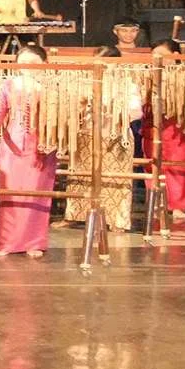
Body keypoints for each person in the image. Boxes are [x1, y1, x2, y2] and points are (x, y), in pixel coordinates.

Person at [0, 44, 57, 258]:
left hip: (41, 146)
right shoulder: (7, 85)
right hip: (12, 146)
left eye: (34, 63)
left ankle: (35, 242)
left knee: (37, 194)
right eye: (24, 62)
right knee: (9, 193)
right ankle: (7, 243)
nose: (28, 67)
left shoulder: (52, 88)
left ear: (44, 65)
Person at [62, 45, 139, 231]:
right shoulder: (85, 82)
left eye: (107, 62)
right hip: (87, 134)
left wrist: (117, 115)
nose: (103, 66)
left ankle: (117, 221)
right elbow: (74, 107)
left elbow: (136, 111)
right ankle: (75, 215)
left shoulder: (127, 84)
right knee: (81, 177)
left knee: (116, 179)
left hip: (116, 136)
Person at [143, 39, 185, 220]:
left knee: (179, 165)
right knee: (152, 165)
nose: (157, 59)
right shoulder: (148, 74)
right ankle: (157, 202)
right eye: (154, 56)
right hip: (152, 126)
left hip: (177, 126)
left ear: (175, 55)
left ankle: (179, 205)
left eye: (161, 55)